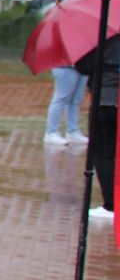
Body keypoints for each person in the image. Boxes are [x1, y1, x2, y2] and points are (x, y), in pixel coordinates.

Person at [77, 37, 117, 219]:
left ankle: (111, 204)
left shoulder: (104, 40)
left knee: (103, 154)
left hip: (104, 101)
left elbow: (82, 66)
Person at [47, 64, 89, 147]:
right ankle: (51, 132)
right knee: (61, 98)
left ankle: (72, 131)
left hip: (82, 66)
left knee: (76, 99)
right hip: (64, 66)